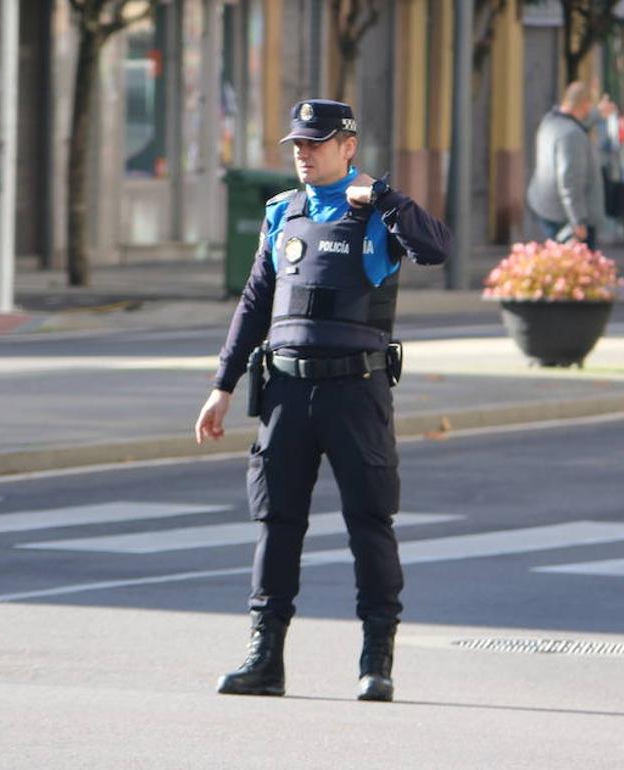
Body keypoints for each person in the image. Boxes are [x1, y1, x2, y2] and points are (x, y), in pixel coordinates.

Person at [193, 99, 451, 701]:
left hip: (354, 392)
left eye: (317, 142)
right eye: (299, 145)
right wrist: (222, 387)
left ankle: (375, 661)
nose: (304, 153)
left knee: (369, 523)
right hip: (285, 390)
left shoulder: (376, 214)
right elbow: (255, 304)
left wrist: (384, 199)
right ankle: (265, 658)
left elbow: (437, 248)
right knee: (277, 524)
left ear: (348, 146)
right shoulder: (283, 212)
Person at [526, 82, 606, 251]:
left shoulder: (550, 121)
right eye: (588, 108)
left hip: (545, 206)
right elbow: (570, 182)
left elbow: (577, 121)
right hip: (566, 216)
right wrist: (578, 221)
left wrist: (598, 114)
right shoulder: (572, 135)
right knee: (578, 271)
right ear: (584, 106)